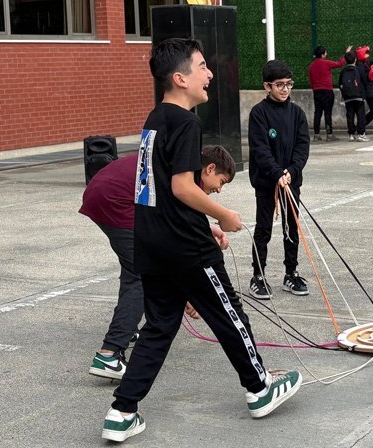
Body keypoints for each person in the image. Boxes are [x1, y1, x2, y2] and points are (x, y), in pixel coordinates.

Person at [101, 38, 301, 443]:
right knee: (229, 314)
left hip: (152, 243)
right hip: (185, 248)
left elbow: (151, 190)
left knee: (159, 327)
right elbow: (180, 187)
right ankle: (260, 388)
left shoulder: (154, 120)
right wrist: (222, 216)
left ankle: (122, 411)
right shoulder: (186, 123)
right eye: (202, 66)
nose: (210, 74)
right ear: (180, 78)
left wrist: (200, 223)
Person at [81, 147, 235, 381]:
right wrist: (190, 295)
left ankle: (126, 328)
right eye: (221, 181)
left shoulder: (184, 169)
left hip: (106, 194)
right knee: (142, 274)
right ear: (210, 168)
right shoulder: (185, 177)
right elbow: (174, 237)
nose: (219, 189)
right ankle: (109, 354)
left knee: (135, 267)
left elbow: (176, 218)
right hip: (115, 200)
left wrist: (208, 228)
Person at [248, 60, 311, 300]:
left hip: (291, 182)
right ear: (267, 86)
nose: (285, 89)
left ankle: (291, 273)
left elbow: (302, 147)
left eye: (288, 84)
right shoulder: (259, 114)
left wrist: (291, 172)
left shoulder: (297, 113)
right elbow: (260, 149)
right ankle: (258, 276)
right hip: (267, 184)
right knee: (263, 229)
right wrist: (276, 174)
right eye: (279, 85)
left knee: (291, 228)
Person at [308, 45, 350, 141]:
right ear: (323, 54)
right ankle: (329, 134)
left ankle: (316, 134)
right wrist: (346, 53)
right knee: (328, 112)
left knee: (317, 112)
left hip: (317, 91)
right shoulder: (326, 63)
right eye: (325, 52)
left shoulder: (311, 66)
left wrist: (315, 88)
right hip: (327, 90)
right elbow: (340, 63)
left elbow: (311, 81)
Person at [338, 50, 370, 142]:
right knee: (361, 115)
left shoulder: (343, 71)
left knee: (350, 115)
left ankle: (351, 134)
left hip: (348, 97)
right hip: (359, 96)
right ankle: (361, 134)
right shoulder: (359, 69)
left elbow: (340, 83)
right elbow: (364, 81)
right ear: (355, 60)